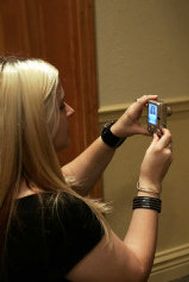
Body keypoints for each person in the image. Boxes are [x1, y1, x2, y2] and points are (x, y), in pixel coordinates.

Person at [0, 56, 173, 281]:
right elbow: (134, 272)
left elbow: (58, 183)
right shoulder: (57, 215)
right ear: (36, 123)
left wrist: (113, 134)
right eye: (61, 105)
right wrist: (150, 184)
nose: (70, 111)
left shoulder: (12, 187)